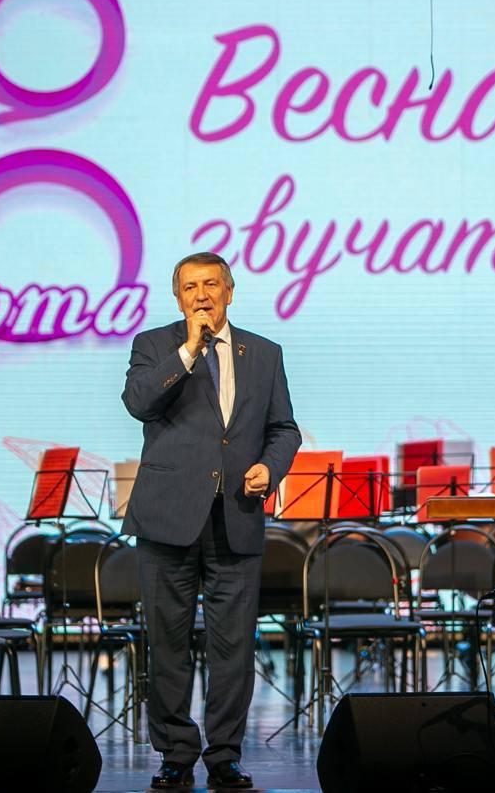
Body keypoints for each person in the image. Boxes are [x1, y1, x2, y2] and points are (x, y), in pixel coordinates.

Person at [121, 251, 301, 790]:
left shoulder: (264, 353)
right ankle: (176, 752)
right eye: (190, 287)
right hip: (167, 518)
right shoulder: (153, 345)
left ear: (229, 291)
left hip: (235, 517)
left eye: (211, 284)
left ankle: (224, 755)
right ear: (178, 297)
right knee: (167, 643)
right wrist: (188, 350)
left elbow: (284, 428)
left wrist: (269, 468)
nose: (201, 295)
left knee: (233, 648)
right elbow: (138, 402)